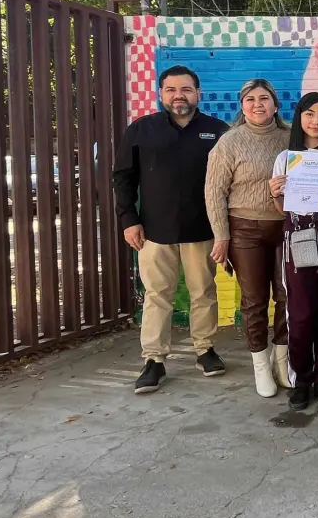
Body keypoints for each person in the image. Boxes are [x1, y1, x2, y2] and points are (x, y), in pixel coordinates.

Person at [114, 66, 229, 394]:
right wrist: (128, 219)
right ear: (161, 94)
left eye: (186, 89)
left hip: (202, 229)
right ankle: (154, 360)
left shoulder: (218, 130)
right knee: (157, 296)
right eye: (171, 90)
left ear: (198, 93)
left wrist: (225, 230)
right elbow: (122, 177)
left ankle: (205, 350)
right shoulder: (140, 130)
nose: (179, 96)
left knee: (203, 292)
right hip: (153, 231)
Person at [205, 78, 290, 398]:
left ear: (275, 104)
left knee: (286, 296)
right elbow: (214, 193)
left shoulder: (289, 138)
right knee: (254, 301)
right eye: (251, 99)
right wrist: (221, 237)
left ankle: (282, 360)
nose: (258, 104)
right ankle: (260, 365)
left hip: (285, 228)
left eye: (264, 98)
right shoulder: (229, 142)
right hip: (245, 231)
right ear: (242, 106)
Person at [267, 92, 318, 410]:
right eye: (310, 114)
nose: (316, 121)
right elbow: (281, 209)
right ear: (299, 117)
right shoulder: (285, 158)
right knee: (300, 313)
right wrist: (274, 192)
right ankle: (301, 380)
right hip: (299, 234)